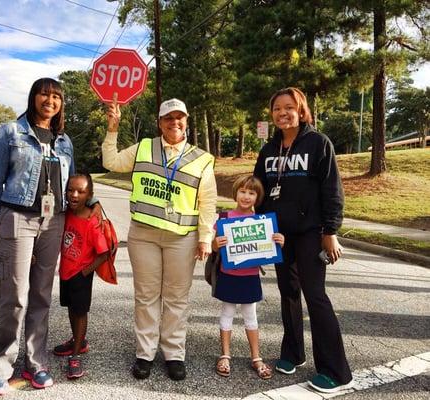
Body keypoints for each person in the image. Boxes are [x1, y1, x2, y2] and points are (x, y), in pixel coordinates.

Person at [0, 78, 95, 396]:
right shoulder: (11, 132)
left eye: (57, 96)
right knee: (15, 295)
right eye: (45, 93)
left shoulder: (64, 142)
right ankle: (1, 367)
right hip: (17, 216)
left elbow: (74, 185)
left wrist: (92, 206)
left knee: (41, 296)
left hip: (54, 221)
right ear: (34, 97)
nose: (50, 100)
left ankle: (36, 362)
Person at [102, 97, 217, 381]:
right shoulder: (144, 147)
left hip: (182, 238)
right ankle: (145, 353)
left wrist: (205, 238)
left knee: (177, 298)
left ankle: (174, 353)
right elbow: (111, 161)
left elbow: (208, 202)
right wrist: (112, 129)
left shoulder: (202, 159)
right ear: (160, 122)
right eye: (168, 118)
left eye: (180, 118)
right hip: (144, 235)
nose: (174, 123)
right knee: (146, 296)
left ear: (186, 121)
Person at [253, 87, 353, 393]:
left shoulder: (318, 143)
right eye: (276, 109)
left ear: (301, 110)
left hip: (310, 232)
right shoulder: (269, 150)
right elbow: (258, 189)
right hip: (279, 235)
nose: (282, 113)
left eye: (288, 108)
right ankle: (293, 353)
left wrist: (330, 232)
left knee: (315, 296)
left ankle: (336, 371)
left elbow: (332, 190)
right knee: (288, 293)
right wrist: (251, 232)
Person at [212, 175, 284, 379]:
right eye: (243, 191)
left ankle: (256, 357)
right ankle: (225, 355)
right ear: (235, 193)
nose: (246, 196)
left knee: (250, 317)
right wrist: (216, 244)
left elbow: (270, 249)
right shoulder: (224, 218)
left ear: (257, 197)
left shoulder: (262, 222)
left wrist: (279, 240)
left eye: (251, 193)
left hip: (250, 277)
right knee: (227, 314)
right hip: (229, 274)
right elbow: (212, 246)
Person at [55, 173, 109, 379]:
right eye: (70, 190)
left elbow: (104, 253)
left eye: (81, 191)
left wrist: (84, 272)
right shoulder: (66, 212)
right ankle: (78, 341)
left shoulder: (91, 221)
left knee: (80, 312)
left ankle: (76, 355)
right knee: (71, 309)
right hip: (65, 272)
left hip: (80, 275)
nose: (74, 195)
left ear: (90, 195)